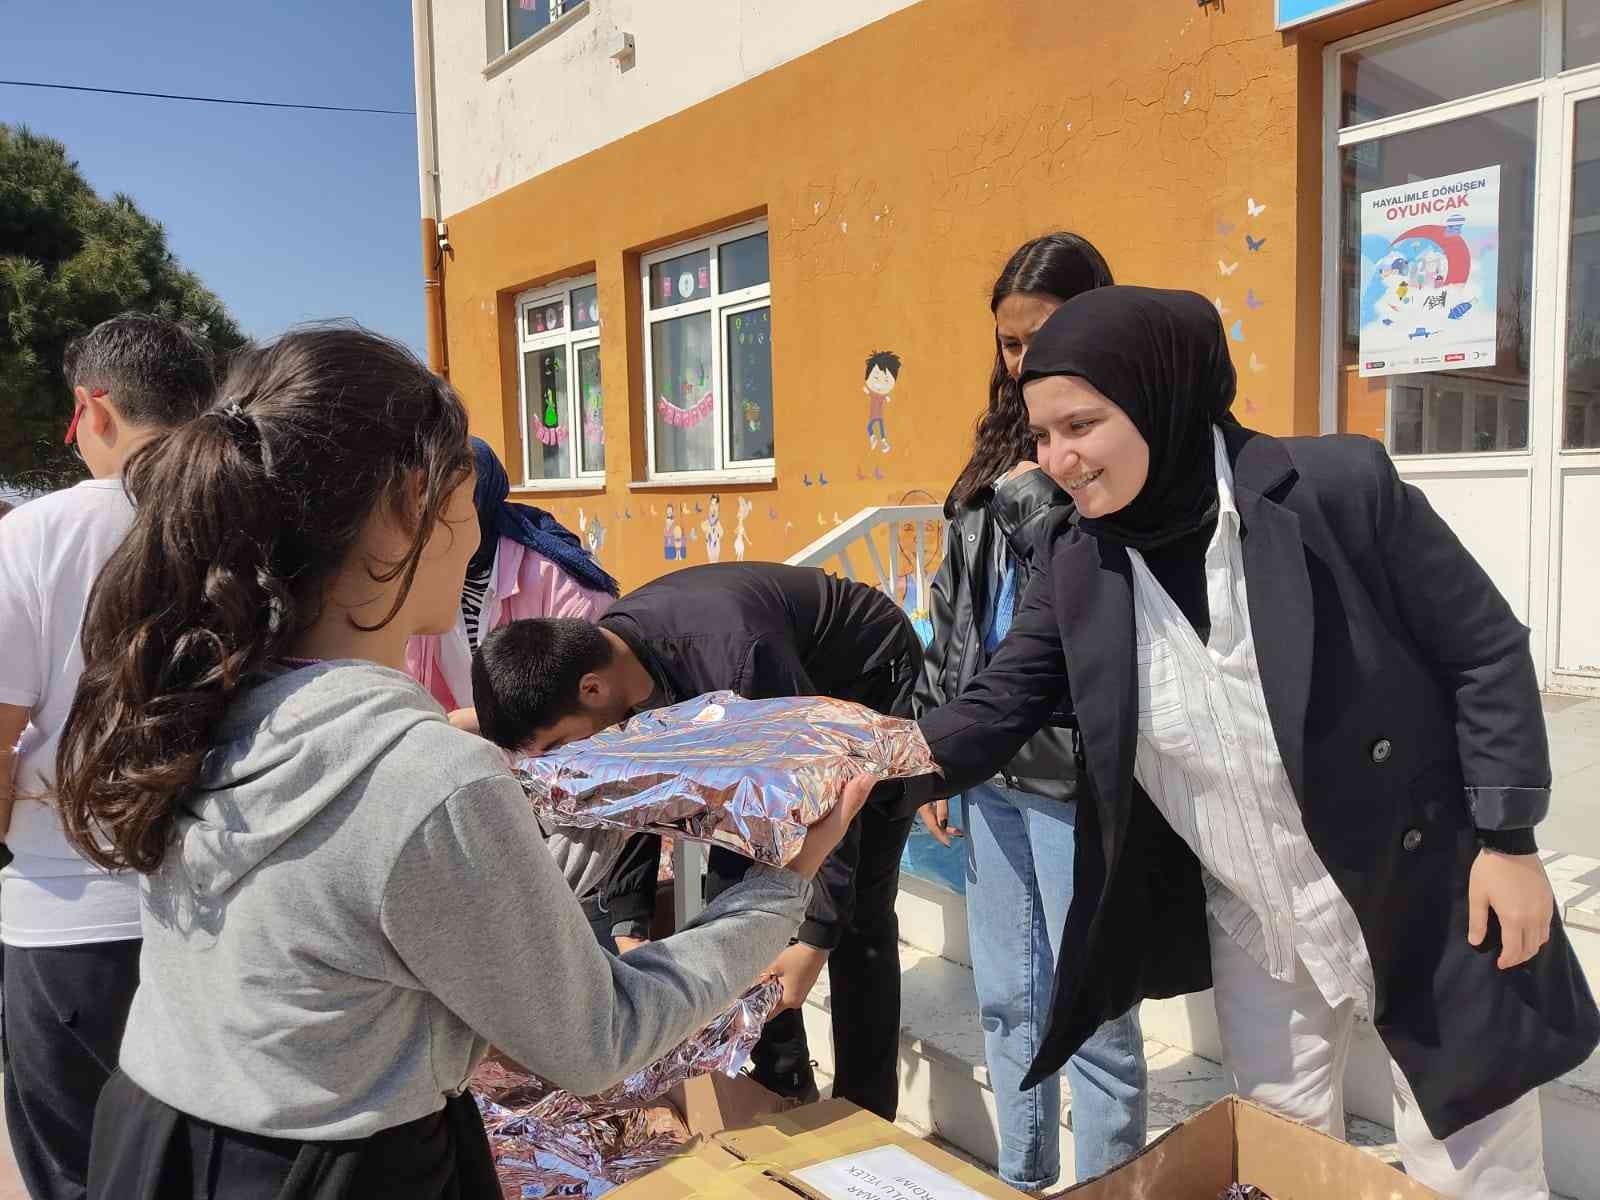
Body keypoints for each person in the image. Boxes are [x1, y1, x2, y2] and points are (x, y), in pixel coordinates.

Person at [51, 327, 873, 1197]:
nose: (479, 520)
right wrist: (781, 887)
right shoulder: (421, 776)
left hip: (154, 1139)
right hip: (342, 1170)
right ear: (412, 506)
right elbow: (595, 1040)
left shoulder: (195, 701)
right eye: (464, 490)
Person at [906, 286, 1599, 1199]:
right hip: (1259, 917)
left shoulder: (1336, 491)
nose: (1056, 461)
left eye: (1081, 426)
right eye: (1040, 436)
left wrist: (1510, 841)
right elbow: (994, 707)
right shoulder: (1078, 561)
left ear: (1159, 397)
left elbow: (1485, 651)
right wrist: (858, 765)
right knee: (1280, 1158)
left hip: (1427, 892)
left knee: (1471, 1170)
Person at [469, 561, 923, 1120]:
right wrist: (628, 923)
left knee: (856, 916)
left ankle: (866, 1112)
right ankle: (783, 1087)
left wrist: (816, 938)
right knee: (740, 896)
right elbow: (631, 792)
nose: (570, 762)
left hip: (862, 677)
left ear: (592, 689)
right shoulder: (610, 669)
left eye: (562, 744)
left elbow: (826, 787)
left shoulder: (735, 654)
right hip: (771, 694)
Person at [914, 234, 1146, 1192]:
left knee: (1090, 1013)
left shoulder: (1121, 438)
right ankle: (1024, 1174)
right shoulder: (997, 449)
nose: (1024, 361)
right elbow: (951, 610)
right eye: (1010, 344)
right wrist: (937, 741)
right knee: (1009, 998)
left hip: (1073, 763)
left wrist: (1032, 493)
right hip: (990, 764)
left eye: (1042, 335)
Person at [0, 314, 216, 1200]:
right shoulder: (253, 530)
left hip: (68, 918)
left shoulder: (37, 533)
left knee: (82, 1177)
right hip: (226, 914)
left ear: (94, 407)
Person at [405, 437, 617, 719]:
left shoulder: (556, 580)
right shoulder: (417, 581)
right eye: (421, 507)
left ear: (481, 500)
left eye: (445, 504)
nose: (429, 523)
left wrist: (476, 723)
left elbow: (587, 707)